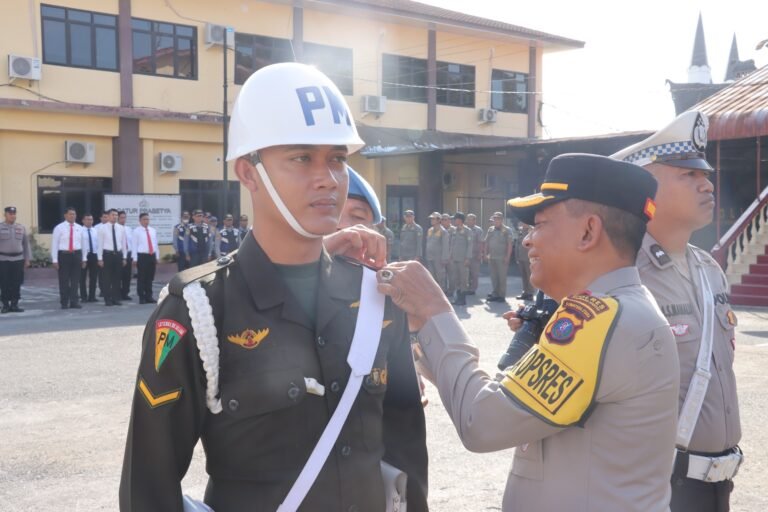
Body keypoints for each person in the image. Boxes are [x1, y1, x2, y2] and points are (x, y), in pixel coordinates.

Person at [119, 62, 428, 512]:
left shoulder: (374, 296)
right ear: (249, 172)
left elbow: (405, 455)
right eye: (302, 158)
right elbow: (147, 489)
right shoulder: (199, 310)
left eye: (337, 159)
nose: (328, 178)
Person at [377, 153, 680, 511]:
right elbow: (506, 396)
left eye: (540, 224)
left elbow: (483, 420)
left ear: (588, 231)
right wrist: (423, 332)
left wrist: (435, 311)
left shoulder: (600, 318)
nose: (527, 241)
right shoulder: (618, 309)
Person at [611, 111, 743, 512]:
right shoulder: (622, 274)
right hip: (658, 487)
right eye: (688, 175)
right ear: (646, 190)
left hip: (719, 484)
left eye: (704, 174)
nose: (707, 183)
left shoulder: (709, 270)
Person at [51, 207, 85, 309]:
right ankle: (64, 302)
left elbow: (84, 244)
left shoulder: (80, 228)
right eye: (70, 214)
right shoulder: (59, 228)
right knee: (64, 280)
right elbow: (54, 244)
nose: (72, 216)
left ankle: (74, 301)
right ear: (65, 215)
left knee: (75, 280)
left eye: (74, 214)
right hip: (64, 255)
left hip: (76, 255)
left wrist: (84, 258)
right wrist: (55, 259)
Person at [0, 206, 30, 313]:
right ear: (5, 215)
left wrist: (27, 259)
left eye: (14, 214)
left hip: (18, 259)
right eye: (10, 214)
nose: (13, 216)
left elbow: (26, 245)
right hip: (3, 260)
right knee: (4, 283)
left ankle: (14, 304)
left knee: (16, 283)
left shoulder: (21, 228)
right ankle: (5, 305)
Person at [97, 208, 127, 306]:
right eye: (112, 215)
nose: (114, 217)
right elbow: (100, 244)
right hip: (107, 254)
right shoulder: (102, 228)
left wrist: (124, 257)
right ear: (108, 216)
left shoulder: (121, 228)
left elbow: (123, 244)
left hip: (117, 254)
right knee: (107, 278)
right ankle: (107, 299)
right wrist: (100, 258)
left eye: (116, 215)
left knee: (117, 278)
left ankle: (116, 298)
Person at [483, 212, 513, 303]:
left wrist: (507, 257)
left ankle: (501, 295)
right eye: (494, 219)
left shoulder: (507, 230)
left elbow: (509, 245)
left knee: (502, 277)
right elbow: (486, 242)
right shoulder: (490, 229)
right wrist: (485, 254)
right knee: (494, 277)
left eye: (498, 219)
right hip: (492, 257)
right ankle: (495, 293)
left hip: (502, 257)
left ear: (501, 220)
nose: (496, 221)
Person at [132, 213, 160, 304]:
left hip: (151, 255)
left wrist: (157, 256)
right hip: (142, 256)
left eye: (147, 219)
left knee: (150, 277)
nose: (146, 221)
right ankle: (141, 297)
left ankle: (149, 296)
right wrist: (135, 258)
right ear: (140, 221)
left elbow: (155, 244)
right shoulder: (136, 231)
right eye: (144, 219)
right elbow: (134, 246)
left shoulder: (152, 230)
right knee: (142, 277)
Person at [447, 212, 473, 306]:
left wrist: (467, 258)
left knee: (463, 279)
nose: (454, 221)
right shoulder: (454, 230)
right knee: (456, 279)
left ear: (460, 220)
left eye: (455, 219)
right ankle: (457, 298)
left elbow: (470, 245)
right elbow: (452, 244)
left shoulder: (467, 231)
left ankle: (462, 299)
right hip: (454, 258)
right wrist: (450, 255)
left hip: (463, 259)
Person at [425, 212, 449, 292]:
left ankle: (442, 291)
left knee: (440, 275)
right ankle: (434, 292)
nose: (431, 220)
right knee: (432, 275)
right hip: (430, 256)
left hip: (439, 258)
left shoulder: (443, 231)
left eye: (433, 219)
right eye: (431, 218)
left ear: (438, 220)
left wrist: (444, 258)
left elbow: (445, 246)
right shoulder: (430, 230)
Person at [80, 213, 100, 303]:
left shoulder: (95, 231)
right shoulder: (79, 230)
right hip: (84, 255)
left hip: (94, 255)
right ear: (83, 221)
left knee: (94, 277)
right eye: (87, 219)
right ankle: (83, 296)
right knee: (82, 277)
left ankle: (92, 296)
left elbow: (98, 244)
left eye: (91, 219)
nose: (89, 221)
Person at [513, 220, 534, 301]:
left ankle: (530, 293)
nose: (522, 223)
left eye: (524, 222)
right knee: (524, 276)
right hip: (521, 257)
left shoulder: (531, 231)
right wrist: (517, 256)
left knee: (529, 276)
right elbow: (518, 244)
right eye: (521, 222)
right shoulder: (521, 231)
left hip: (528, 257)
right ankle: (525, 292)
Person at [465, 213, 483, 296]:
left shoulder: (478, 230)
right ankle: (467, 287)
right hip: (465, 255)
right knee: (466, 272)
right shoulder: (464, 229)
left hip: (475, 254)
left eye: (470, 219)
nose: (468, 221)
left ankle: (473, 289)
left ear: (474, 221)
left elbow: (480, 243)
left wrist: (480, 254)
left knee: (474, 273)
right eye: (467, 219)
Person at [118, 211, 134, 301]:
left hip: (128, 253)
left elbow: (131, 242)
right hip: (119, 254)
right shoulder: (116, 229)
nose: (123, 219)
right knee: (118, 275)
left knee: (127, 275)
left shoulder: (129, 229)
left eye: (124, 217)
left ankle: (125, 293)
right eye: (121, 217)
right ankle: (118, 293)